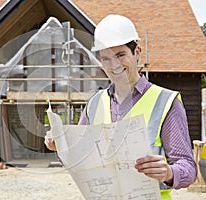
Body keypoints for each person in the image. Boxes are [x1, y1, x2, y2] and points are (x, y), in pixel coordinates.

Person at [45, 14, 197, 199]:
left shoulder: (165, 102)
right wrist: (60, 144)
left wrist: (169, 172)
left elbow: (188, 168)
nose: (114, 65)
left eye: (120, 55)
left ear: (137, 52)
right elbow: (80, 158)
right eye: (106, 58)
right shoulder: (94, 104)